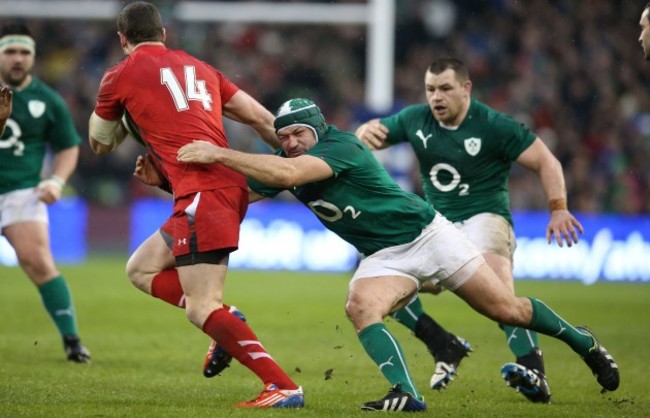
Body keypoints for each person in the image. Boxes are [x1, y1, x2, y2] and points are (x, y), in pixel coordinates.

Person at [176, 97, 620, 412]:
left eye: (298, 133)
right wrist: (168, 180)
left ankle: (584, 343)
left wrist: (219, 151)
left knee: (508, 309)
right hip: (385, 254)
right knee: (360, 305)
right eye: (284, 136)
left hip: (429, 236)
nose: (290, 142)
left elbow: (290, 170)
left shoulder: (340, 146)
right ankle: (406, 393)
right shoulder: (284, 161)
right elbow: (235, 194)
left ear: (317, 129)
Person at [88, 2, 302, 408]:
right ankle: (229, 320)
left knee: (201, 308)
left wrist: (126, 121)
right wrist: (297, 157)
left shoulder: (118, 75)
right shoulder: (201, 68)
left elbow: (99, 144)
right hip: (219, 190)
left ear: (122, 39)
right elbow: (260, 117)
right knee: (141, 268)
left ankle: (282, 386)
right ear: (163, 34)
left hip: (203, 195)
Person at [355, 57, 586, 403]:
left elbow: (545, 160)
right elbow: (371, 134)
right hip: (438, 226)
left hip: (486, 216)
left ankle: (533, 368)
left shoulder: (494, 126)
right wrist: (363, 133)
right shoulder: (415, 119)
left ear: (466, 89)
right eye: (430, 89)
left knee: (496, 290)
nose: (436, 97)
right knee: (382, 280)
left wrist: (558, 208)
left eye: (445, 88)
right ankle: (441, 342)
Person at [0, 23, 90, 363]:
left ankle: (72, 340)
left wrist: (55, 181)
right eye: (10, 51)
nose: (18, 59)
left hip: (22, 192)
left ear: (34, 57)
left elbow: (68, 147)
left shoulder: (48, 100)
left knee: (39, 262)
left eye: (24, 52)